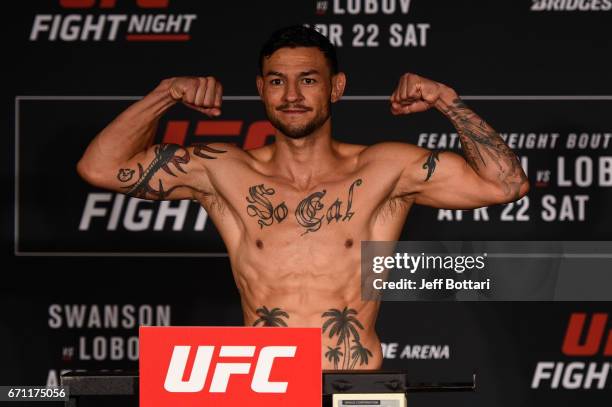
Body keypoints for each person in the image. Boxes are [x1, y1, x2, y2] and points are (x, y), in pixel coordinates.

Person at [77, 25, 529, 370]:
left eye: (309, 80)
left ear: (336, 87)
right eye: (277, 81)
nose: (291, 95)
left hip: (358, 385)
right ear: (261, 89)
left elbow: (504, 184)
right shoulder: (224, 171)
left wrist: (447, 101)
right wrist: (165, 94)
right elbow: (99, 168)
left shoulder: (384, 169)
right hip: (265, 383)